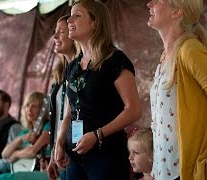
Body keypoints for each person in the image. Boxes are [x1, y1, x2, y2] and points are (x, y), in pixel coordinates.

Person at [146, 0, 207, 180]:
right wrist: (155, 169)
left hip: (185, 173)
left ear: (176, 13)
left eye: (158, 0)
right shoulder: (166, 55)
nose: (149, 4)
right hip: (163, 173)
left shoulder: (190, 50)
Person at [53, 1, 142, 180]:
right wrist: (60, 142)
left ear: (95, 22)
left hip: (106, 156)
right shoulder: (73, 66)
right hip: (74, 157)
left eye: (77, 15)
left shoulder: (115, 60)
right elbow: (69, 111)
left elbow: (133, 110)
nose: (69, 20)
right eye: (70, 15)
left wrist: (97, 135)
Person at [0, 91, 50, 180]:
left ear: (42, 110)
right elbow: (5, 154)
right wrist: (20, 139)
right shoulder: (25, 132)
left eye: (34, 106)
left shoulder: (47, 126)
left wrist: (16, 154)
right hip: (22, 171)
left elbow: (32, 151)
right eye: (27, 106)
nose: (29, 109)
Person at [46, 14, 79, 180]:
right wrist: (54, 153)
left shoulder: (84, 71)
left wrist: (71, 147)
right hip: (61, 152)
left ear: (74, 34)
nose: (55, 36)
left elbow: (76, 115)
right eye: (55, 31)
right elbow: (58, 120)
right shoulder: (60, 74)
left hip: (75, 150)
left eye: (61, 31)